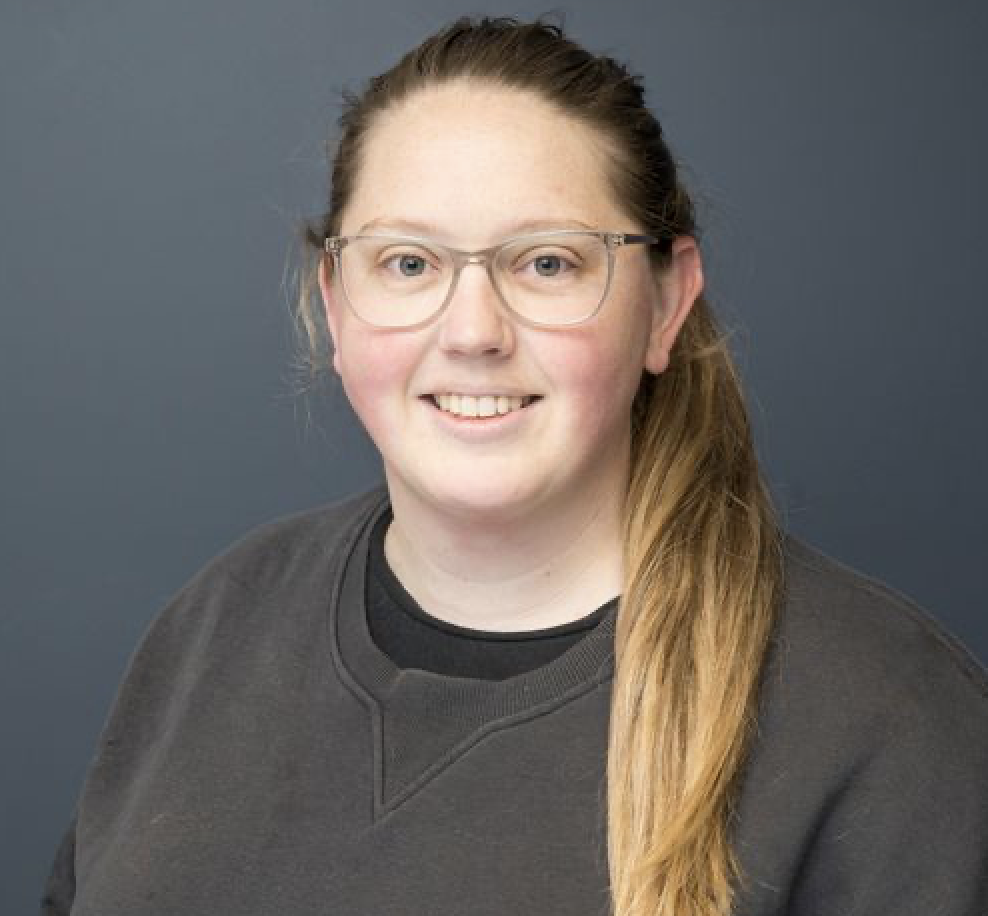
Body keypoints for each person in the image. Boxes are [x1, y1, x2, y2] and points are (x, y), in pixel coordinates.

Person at [41, 14, 988, 916]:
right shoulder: (215, 630)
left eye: (546, 263)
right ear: (336, 305)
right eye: (408, 264)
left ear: (665, 304)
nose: (472, 333)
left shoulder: (885, 721)